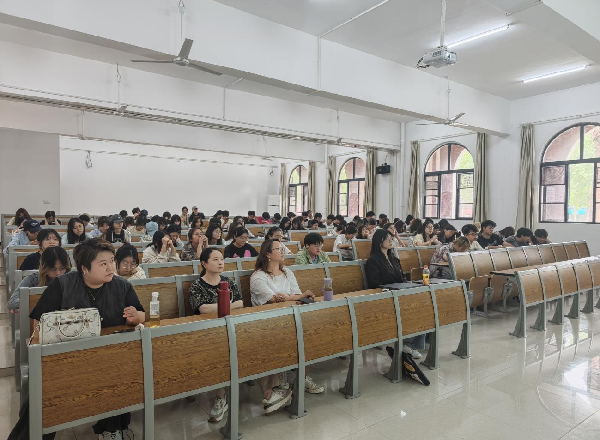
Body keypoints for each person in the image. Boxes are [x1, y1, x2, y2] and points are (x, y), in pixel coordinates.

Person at [30, 238, 145, 439]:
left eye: (112, 261)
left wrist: (136, 317)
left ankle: (111, 429)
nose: (111, 268)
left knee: (119, 373)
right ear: (84, 268)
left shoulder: (121, 285)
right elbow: (39, 322)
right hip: (69, 357)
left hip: (110, 355)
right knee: (46, 393)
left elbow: (142, 315)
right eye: (103, 263)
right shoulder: (63, 284)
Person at [250, 239, 324, 407]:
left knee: (311, 333)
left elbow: (297, 295)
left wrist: (290, 297)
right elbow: (272, 300)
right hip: (267, 321)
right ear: (268, 254)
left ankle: (302, 378)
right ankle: (280, 381)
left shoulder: (287, 272)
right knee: (282, 336)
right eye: (278, 249)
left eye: (282, 248)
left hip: (291, 316)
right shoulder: (258, 277)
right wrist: (294, 297)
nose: (282, 251)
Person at [188, 247, 243, 422]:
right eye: (215, 259)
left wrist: (221, 307)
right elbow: (203, 309)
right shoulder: (197, 285)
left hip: (231, 326)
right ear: (204, 264)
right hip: (207, 331)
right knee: (219, 350)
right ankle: (220, 397)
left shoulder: (228, 281)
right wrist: (228, 305)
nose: (220, 263)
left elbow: (240, 303)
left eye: (222, 259)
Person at [365, 229, 423, 358]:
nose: (391, 240)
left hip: (400, 293)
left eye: (392, 238)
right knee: (411, 309)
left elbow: (402, 279)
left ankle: (411, 343)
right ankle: (407, 344)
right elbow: (374, 284)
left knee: (423, 305)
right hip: (386, 296)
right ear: (379, 241)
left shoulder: (394, 259)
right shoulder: (373, 261)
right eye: (388, 238)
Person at [9, 247, 71, 311]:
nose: (58, 273)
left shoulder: (71, 278)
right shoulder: (32, 279)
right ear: (44, 268)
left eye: (62, 268)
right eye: (53, 269)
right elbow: (12, 303)